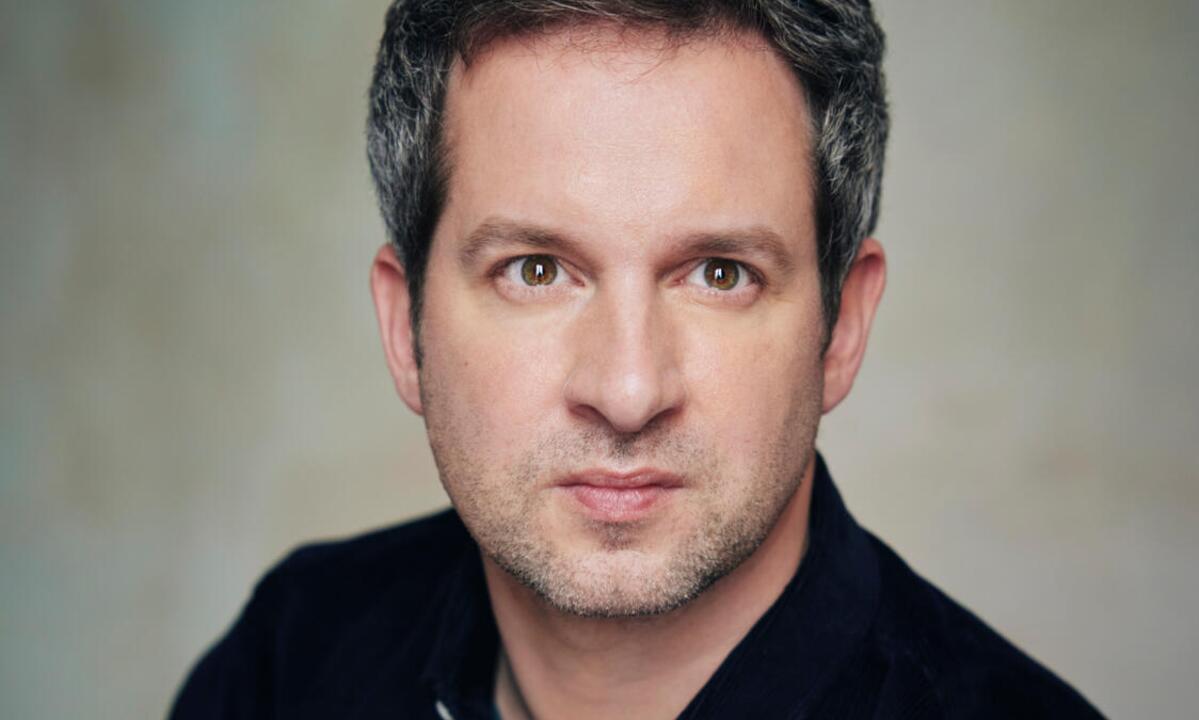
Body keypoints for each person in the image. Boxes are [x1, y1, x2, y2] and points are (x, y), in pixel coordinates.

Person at [171, 1, 1103, 718]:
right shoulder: (288, 663)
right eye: (536, 270)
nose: (626, 391)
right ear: (402, 325)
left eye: (720, 274)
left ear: (843, 327)